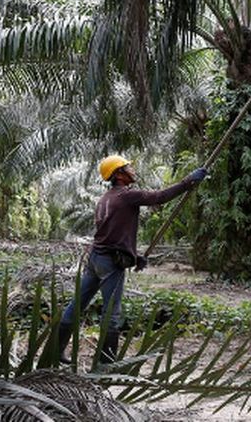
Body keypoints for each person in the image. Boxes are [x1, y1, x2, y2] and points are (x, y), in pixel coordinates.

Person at [57, 155, 208, 365]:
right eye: (128, 167)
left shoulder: (105, 199)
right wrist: (187, 182)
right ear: (119, 174)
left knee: (77, 305)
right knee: (112, 315)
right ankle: (106, 365)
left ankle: (55, 351)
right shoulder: (126, 196)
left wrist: (134, 257)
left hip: (95, 259)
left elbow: (113, 235)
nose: (133, 170)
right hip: (110, 263)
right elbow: (159, 197)